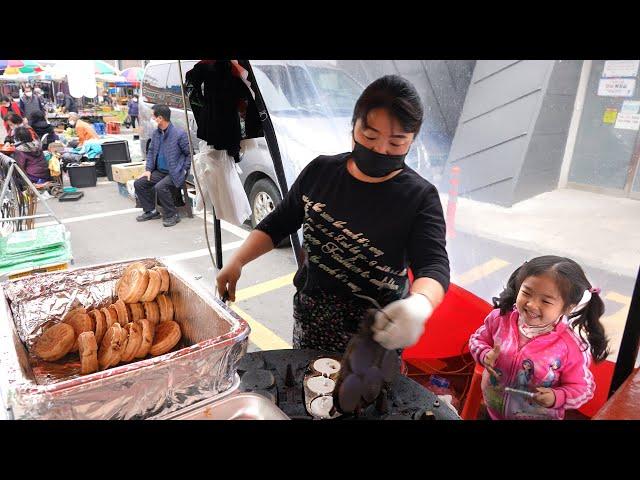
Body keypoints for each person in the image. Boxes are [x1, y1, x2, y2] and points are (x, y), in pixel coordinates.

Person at [216, 75, 450, 354]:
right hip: (312, 320)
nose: (380, 149)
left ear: (412, 142)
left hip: (377, 335)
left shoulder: (420, 197)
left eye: (396, 143)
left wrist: (420, 303)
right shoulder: (321, 172)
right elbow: (279, 222)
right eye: (370, 136)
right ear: (353, 126)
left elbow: (434, 264)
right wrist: (239, 260)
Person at [469, 255, 609, 420]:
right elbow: (477, 340)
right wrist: (484, 354)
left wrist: (556, 397)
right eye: (526, 293)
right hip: (492, 411)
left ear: (568, 307)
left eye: (545, 301)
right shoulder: (500, 318)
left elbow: (582, 389)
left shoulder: (570, 346)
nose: (532, 304)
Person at [133, 104, 191, 228]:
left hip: (175, 172)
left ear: (160, 118)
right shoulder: (156, 134)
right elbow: (151, 152)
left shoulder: (179, 134)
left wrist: (184, 169)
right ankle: (151, 211)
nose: (152, 119)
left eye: (153, 117)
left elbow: (189, 154)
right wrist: (148, 170)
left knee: (160, 187)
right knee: (139, 183)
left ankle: (172, 214)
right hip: (160, 171)